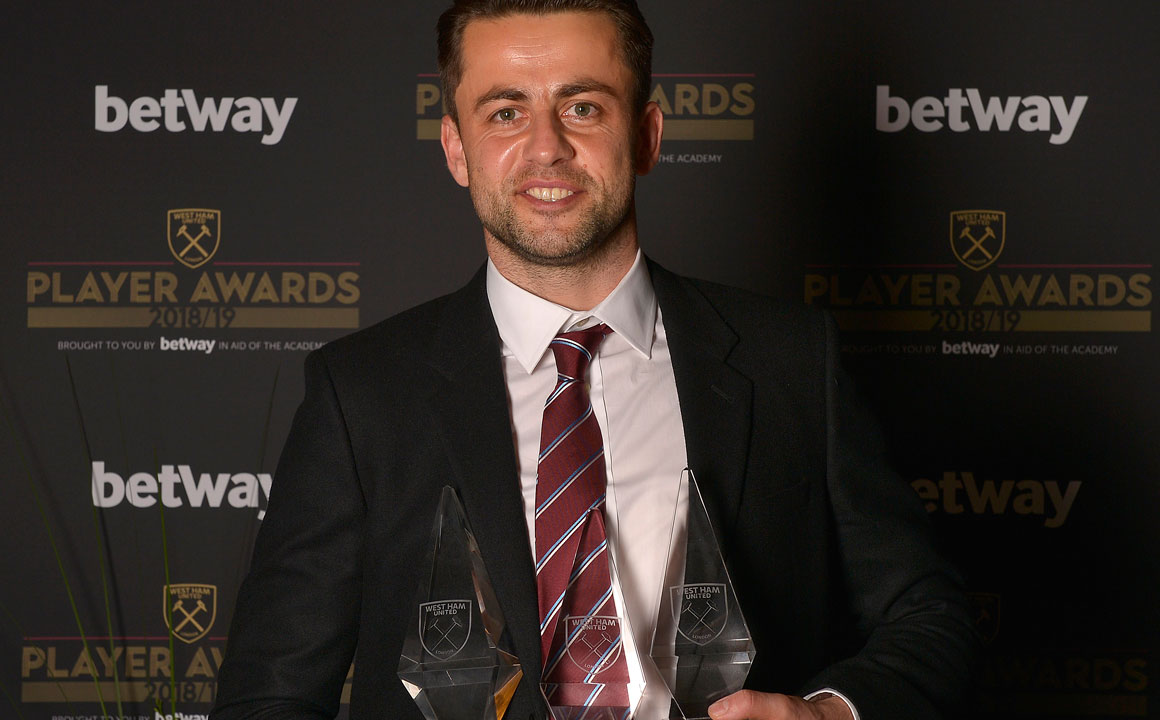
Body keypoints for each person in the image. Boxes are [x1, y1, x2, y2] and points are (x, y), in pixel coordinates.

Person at [212, 1, 977, 718]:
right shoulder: (362, 395)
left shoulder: (791, 361)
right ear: (456, 148)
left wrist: (829, 713)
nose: (547, 145)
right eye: (506, 111)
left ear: (645, 134)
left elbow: (931, 617)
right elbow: (269, 694)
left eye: (582, 106)